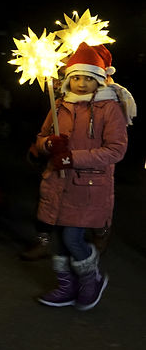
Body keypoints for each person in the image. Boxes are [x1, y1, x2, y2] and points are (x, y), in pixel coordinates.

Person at [32, 43, 130, 309]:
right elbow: (41, 138)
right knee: (60, 237)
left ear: (99, 79)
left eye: (88, 78)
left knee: (72, 238)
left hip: (87, 187)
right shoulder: (60, 104)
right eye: (76, 77)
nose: (82, 83)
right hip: (57, 183)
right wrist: (48, 145)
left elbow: (116, 150)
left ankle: (91, 279)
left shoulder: (109, 108)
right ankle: (67, 286)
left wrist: (73, 158)